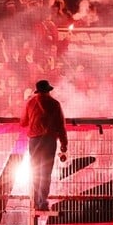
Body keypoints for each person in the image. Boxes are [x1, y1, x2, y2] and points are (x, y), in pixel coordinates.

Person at [20, 79, 68, 212]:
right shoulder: (54, 104)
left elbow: (23, 122)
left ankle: (35, 201)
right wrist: (64, 143)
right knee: (46, 172)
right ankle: (43, 202)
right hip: (49, 140)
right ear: (48, 91)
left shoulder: (30, 103)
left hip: (34, 140)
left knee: (35, 170)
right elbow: (61, 126)